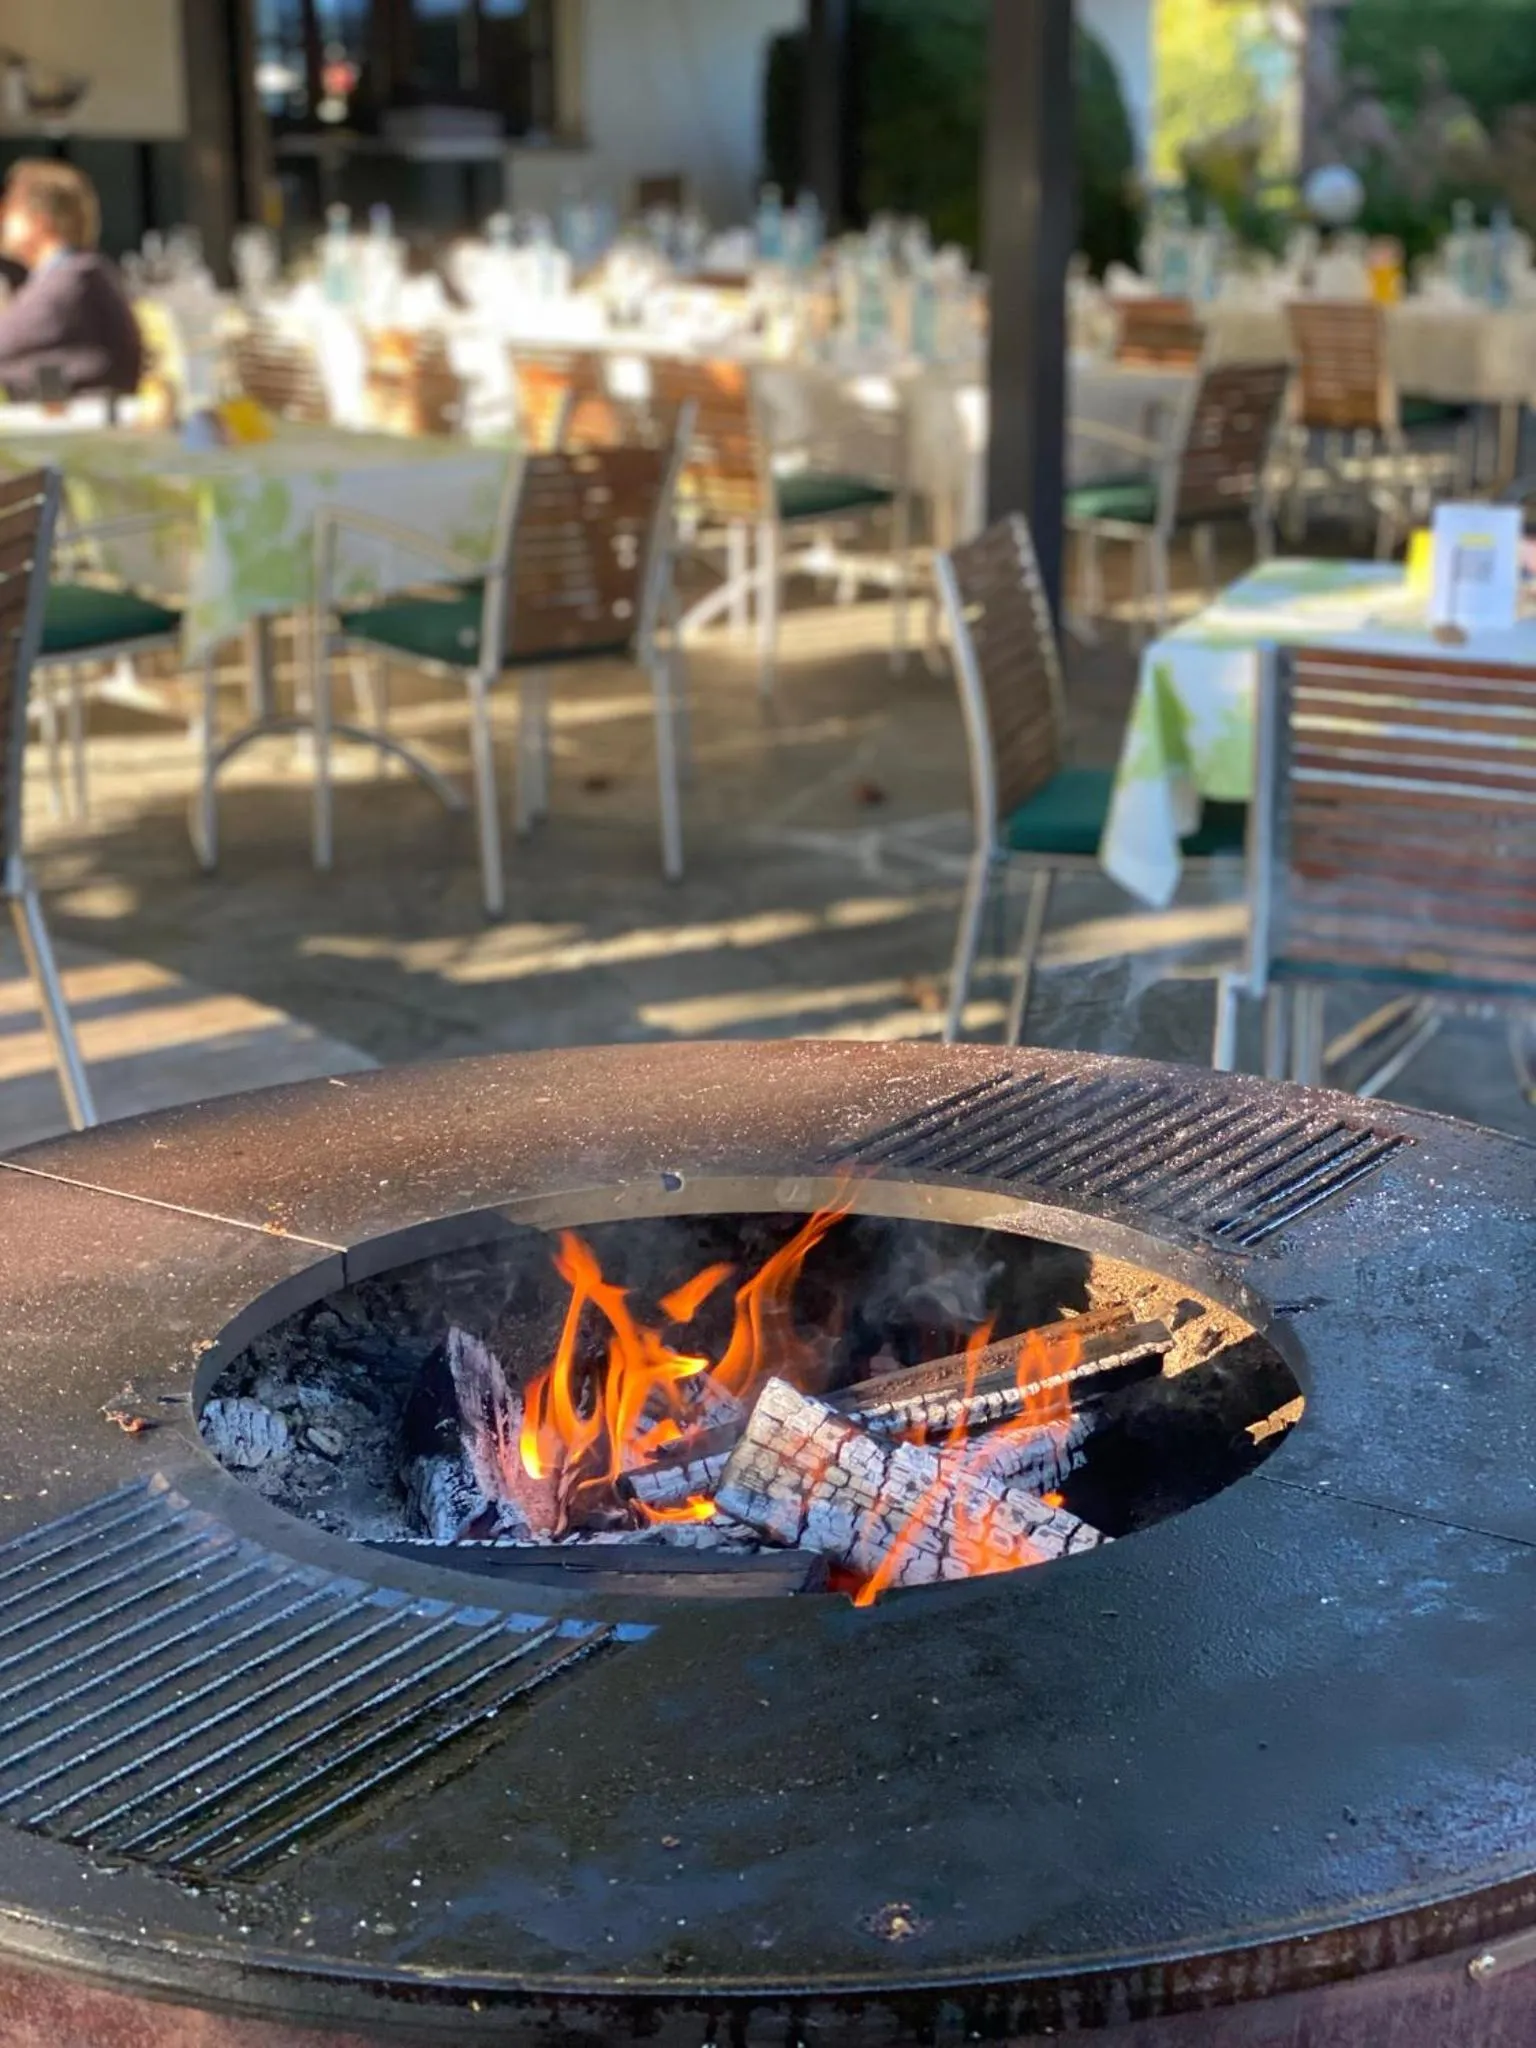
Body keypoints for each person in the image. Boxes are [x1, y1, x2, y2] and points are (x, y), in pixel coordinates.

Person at [0, 160, 143, 400]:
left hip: (85, 419)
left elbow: (6, 340)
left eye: (10, 209)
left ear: (39, 221)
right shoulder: (76, 274)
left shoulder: (73, 278)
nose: (2, 220)